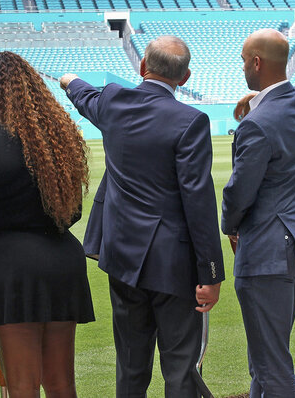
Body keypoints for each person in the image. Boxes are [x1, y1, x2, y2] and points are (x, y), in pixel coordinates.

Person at [60, 35, 224, 398]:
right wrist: (211, 273)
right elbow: (198, 201)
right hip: (173, 265)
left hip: (122, 258)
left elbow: (83, 94)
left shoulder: (114, 101)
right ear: (185, 78)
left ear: (142, 67)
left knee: (131, 368)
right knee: (180, 370)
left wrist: (68, 80)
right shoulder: (191, 120)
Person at [0, 51, 95, 398]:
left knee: (22, 386)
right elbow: (72, 213)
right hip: (63, 262)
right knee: (62, 383)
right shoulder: (59, 139)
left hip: (12, 268)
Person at [221, 28, 295, 398]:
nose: (242, 66)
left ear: (257, 63)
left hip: (266, 254)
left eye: (244, 60)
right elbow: (284, 100)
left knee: (270, 361)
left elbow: (239, 192)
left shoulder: (256, 126)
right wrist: (257, 101)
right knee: (266, 353)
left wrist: (229, 228)